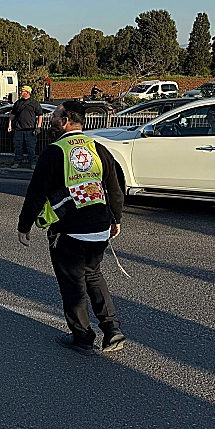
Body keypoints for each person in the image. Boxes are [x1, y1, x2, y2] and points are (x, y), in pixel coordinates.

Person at [17, 100, 126, 355]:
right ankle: (112, 329)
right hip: (99, 227)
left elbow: (36, 193)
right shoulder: (99, 149)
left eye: (55, 116)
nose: (51, 119)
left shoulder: (55, 152)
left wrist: (24, 225)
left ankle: (82, 338)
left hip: (69, 230)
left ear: (65, 121)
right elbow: (115, 188)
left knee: (73, 284)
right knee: (93, 275)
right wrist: (116, 219)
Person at [8, 85, 44, 169]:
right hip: (18, 129)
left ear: (27, 92)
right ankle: (17, 162)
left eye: (22, 91)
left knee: (31, 147)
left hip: (30, 130)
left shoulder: (34, 103)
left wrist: (38, 127)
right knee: (18, 147)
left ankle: (32, 163)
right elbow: (13, 114)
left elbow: (40, 115)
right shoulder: (18, 103)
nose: (20, 92)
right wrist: (9, 124)